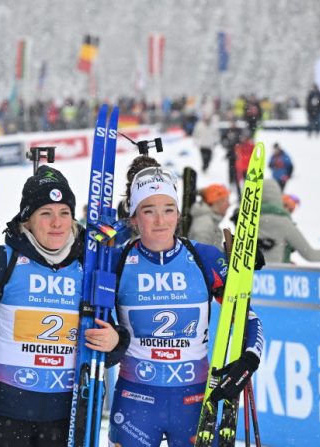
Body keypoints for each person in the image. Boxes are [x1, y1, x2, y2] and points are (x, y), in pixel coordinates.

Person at [108, 157, 264, 447]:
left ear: (178, 214)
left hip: (195, 401)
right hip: (135, 401)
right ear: (133, 217)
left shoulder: (204, 258)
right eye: (148, 210)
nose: (160, 220)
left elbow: (246, 316)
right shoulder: (117, 263)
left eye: (168, 210)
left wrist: (249, 359)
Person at [0, 165, 129, 446]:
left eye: (64, 213)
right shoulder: (0, 262)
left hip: (67, 415)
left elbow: (115, 328)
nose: (56, 223)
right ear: (27, 220)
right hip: (5, 413)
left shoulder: (90, 267)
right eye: (45, 213)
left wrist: (114, 340)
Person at [258, 178, 320, 264]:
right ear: (278, 197)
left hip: (250, 275)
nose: (288, 210)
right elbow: (310, 255)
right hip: (277, 274)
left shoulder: (247, 221)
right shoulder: (285, 224)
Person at [188, 183, 230, 251]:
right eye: (226, 201)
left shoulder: (209, 221)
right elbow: (201, 257)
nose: (229, 204)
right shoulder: (204, 225)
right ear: (216, 202)